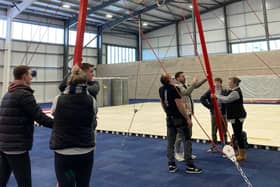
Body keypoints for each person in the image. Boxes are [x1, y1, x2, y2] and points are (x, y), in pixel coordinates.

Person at [0, 65, 53, 187]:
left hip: (4, 145)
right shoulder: (24, 94)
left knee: (2, 180)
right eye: (30, 74)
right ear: (24, 76)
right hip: (16, 147)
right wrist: (60, 125)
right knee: (25, 183)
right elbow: (40, 117)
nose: (31, 77)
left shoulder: (8, 94)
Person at [50, 65, 97, 187]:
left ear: (68, 82)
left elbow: (54, 114)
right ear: (85, 82)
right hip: (85, 152)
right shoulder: (91, 100)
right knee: (83, 184)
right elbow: (93, 117)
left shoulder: (58, 99)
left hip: (64, 153)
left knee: (66, 184)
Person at [159, 73, 202, 174]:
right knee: (186, 140)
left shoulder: (161, 89)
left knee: (170, 142)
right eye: (170, 77)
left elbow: (162, 103)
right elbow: (180, 105)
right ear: (169, 79)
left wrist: (167, 112)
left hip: (169, 118)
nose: (172, 78)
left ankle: (171, 164)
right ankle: (190, 166)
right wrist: (187, 118)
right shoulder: (175, 89)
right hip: (179, 119)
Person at [174, 72, 207, 161]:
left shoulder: (185, 84)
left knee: (189, 134)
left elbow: (196, 86)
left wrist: (205, 79)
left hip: (189, 112)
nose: (184, 77)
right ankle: (177, 152)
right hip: (182, 113)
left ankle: (187, 152)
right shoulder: (177, 87)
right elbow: (186, 92)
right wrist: (193, 83)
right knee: (180, 135)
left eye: (184, 76)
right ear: (177, 78)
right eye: (182, 76)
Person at [214, 77, 247, 161]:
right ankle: (240, 152)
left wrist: (216, 96)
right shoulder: (233, 90)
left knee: (238, 134)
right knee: (237, 134)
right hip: (235, 115)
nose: (228, 83)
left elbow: (226, 99)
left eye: (230, 82)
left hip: (238, 116)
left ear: (234, 83)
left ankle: (242, 154)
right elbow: (225, 96)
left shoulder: (236, 92)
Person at [200, 77, 228, 153]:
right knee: (214, 131)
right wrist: (210, 106)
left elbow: (228, 99)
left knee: (224, 130)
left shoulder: (225, 90)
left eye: (218, 82)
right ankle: (214, 146)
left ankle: (225, 146)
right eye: (215, 82)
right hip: (214, 113)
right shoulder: (211, 90)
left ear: (221, 83)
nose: (216, 84)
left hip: (223, 113)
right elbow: (202, 99)